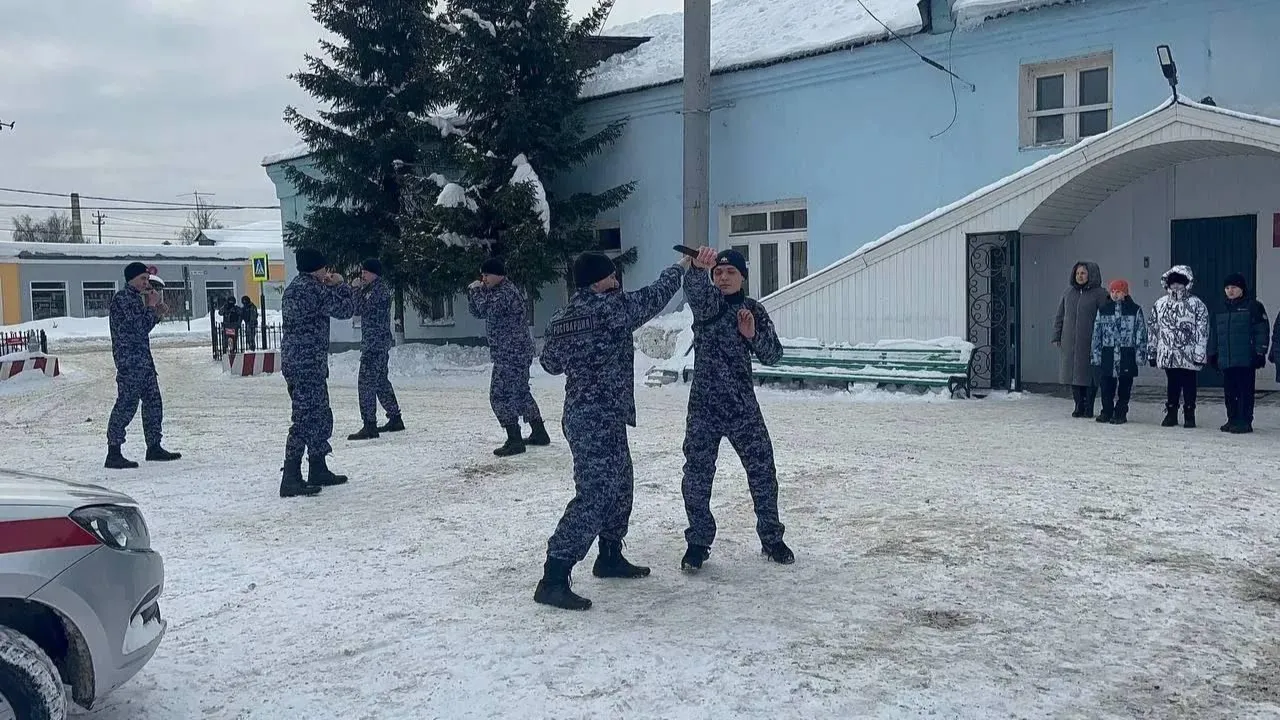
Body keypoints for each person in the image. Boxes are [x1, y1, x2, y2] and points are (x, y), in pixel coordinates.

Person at [533, 251, 686, 611]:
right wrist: (679, 268)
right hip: (596, 419)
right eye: (612, 276)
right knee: (595, 495)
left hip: (590, 415)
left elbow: (550, 364)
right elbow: (655, 296)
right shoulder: (610, 309)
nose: (617, 281)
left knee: (621, 485)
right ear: (599, 280)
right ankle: (553, 576)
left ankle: (610, 555)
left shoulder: (562, 317)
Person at [679, 247, 791, 572]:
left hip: (742, 407)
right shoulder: (708, 306)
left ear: (743, 276)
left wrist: (752, 335)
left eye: (730, 272)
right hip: (704, 409)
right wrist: (699, 270)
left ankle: (772, 539)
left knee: (763, 473)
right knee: (697, 478)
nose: (724, 277)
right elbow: (696, 292)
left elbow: (773, 355)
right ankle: (698, 543)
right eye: (719, 273)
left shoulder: (753, 310)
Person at [279, 248, 356, 497]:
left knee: (319, 414)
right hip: (306, 364)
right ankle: (291, 476)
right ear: (317, 268)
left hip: (301, 362)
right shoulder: (312, 289)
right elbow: (346, 309)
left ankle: (318, 466)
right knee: (305, 418)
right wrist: (341, 284)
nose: (327, 272)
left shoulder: (295, 288)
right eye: (325, 268)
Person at [467, 256, 548, 456]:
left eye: (487, 275)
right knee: (520, 392)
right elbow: (478, 312)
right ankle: (539, 431)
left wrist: (476, 291)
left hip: (511, 353)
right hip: (513, 352)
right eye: (482, 275)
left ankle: (514, 439)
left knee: (499, 396)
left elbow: (487, 309)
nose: (483, 279)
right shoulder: (497, 292)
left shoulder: (506, 293)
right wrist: (473, 294)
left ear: (498, 275)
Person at [105, 262, 180, 469]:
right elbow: (138, 328)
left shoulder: (137, 299)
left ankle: (154, 446)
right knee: (126, 405)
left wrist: (155, 311)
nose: (146, 283)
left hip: (143, 362)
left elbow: (143, 326)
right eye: (143, 279)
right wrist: (151, 309)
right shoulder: (123, 299)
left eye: (147, 279)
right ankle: (114, 451)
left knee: (153, 403)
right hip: (130, 362)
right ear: (131, 279)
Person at [347, 258, 404, 440]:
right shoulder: (374, 289)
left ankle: (369, 425)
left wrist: (355, 289)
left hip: (374, 345)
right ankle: (395, 418)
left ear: (374, 273)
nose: (362, 275)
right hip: (377, 343)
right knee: (380, 382)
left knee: (366, 384)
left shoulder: (378, 290)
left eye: (366, 272)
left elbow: (359, 309)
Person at [1207, 273, 1269, 434]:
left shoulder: (1254, 307)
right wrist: (1212, 353)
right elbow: (1214, 332)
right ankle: (1232, 419)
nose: (1230, 291)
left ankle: (1245, 421)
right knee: (1230, 392)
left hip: (1245, 359)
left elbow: (1261, 331)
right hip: (1227, 359)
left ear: (1241, 289)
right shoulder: (1220, 307)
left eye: (1234, 287)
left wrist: (1260, 352)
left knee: (1245, 392)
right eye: (1227, 288)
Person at [1148, 265, 1209, 429]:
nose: (1176, 286)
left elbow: (1202, 330)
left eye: (1180, 282)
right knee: (1172, 383)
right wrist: (1152, 351)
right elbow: (1153, 328)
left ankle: (1189, 414)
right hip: (1168, 352)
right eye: (1173, 282)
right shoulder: (1160, 304)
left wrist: (1199, 353)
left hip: (1189, 353)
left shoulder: (1197, 305)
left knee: (1189, 384)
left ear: (1187, 283)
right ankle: (1171, 412)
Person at [1089, 279, 1148, 425]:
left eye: (1119, 291)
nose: (1115, 294)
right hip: (1107, 353)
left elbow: (1141, 333)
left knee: (1125, 386)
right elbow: (1097, 333)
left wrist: (1140, 354)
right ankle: (1107, 411)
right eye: (1113, 291)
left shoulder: (1134, 310)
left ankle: (1121, 411)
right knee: (1106, 385)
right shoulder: (1103, 310)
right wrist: (1095, 354)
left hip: (1126, 353)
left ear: (1125, 293)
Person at [1053, 261, 1108, 418]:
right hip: (1070, 340)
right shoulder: (1068, 293)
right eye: (1077, 273)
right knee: (1073, 374)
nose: (1080, 276)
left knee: (1088, 375)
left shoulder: (1100, 294)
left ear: (1091, 274)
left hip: (1090, 341)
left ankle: (1088, 405)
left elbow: (1105, 317)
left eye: (1083, 273)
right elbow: (1060, 315)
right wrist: (1056, 335)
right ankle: (1078, 404)